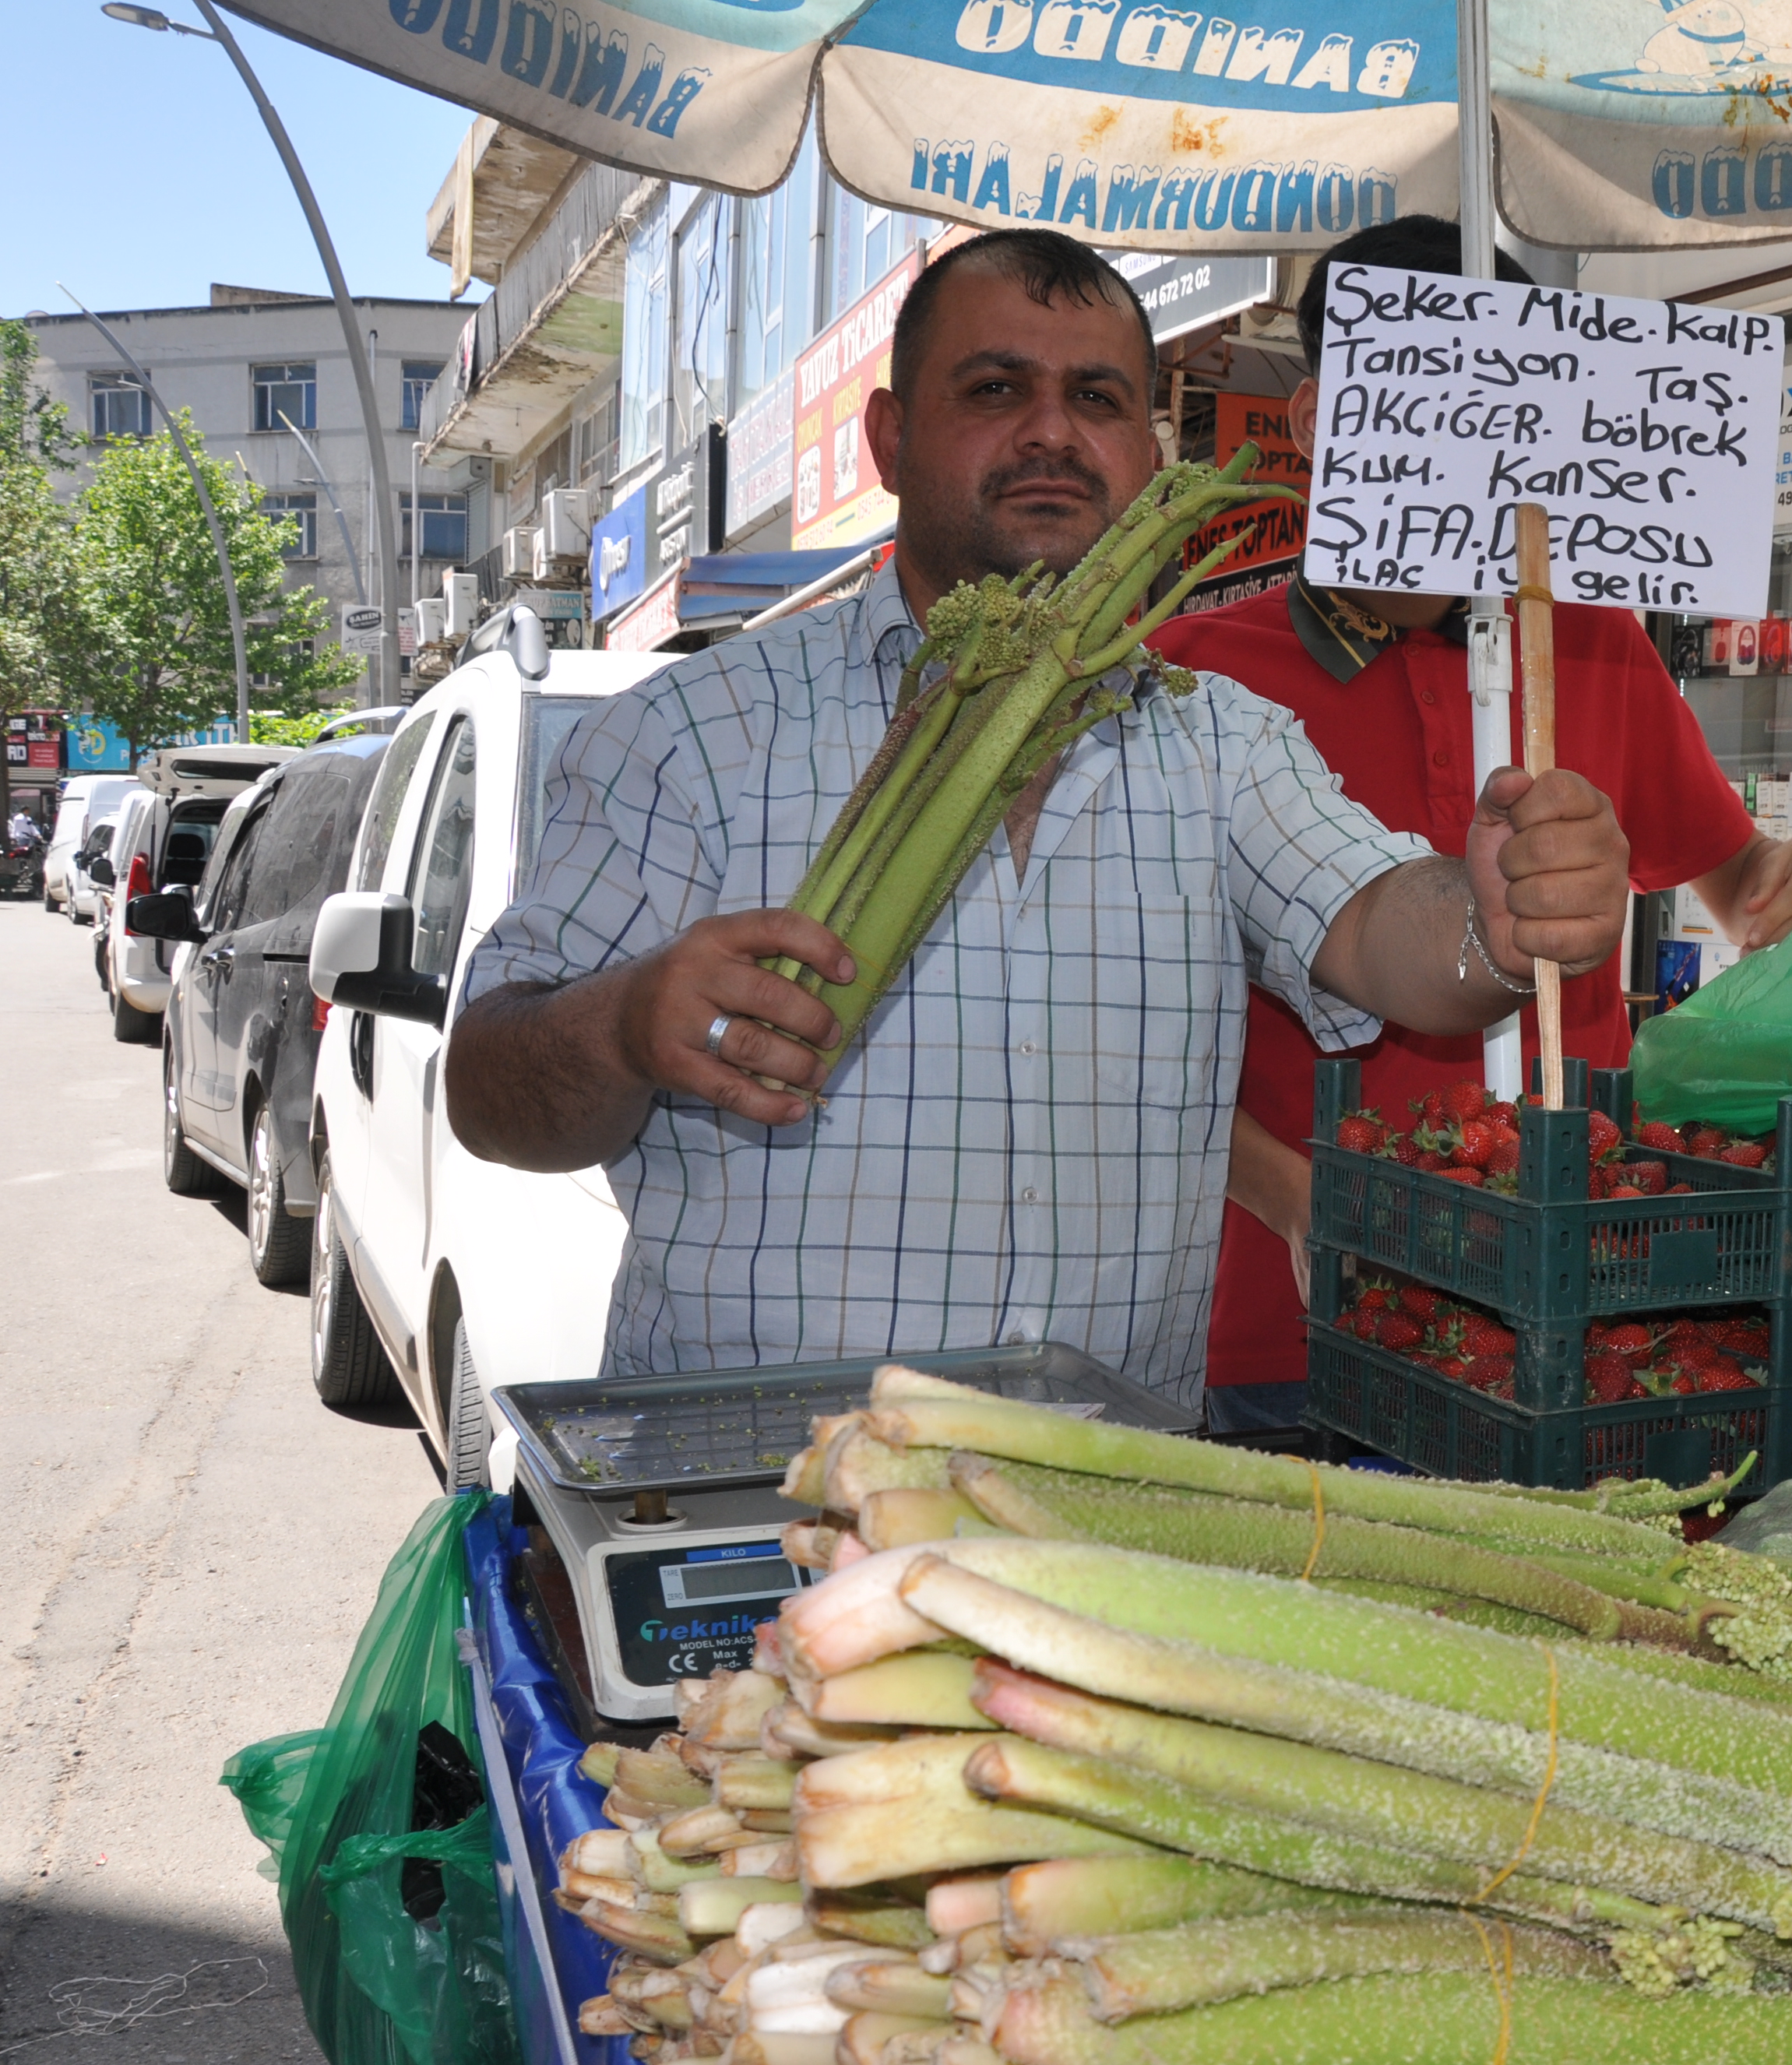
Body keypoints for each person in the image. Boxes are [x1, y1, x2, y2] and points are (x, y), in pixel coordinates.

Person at [439, 228, 1632, 1412]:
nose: (1053, 431)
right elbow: (491, 1092)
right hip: (756, 1499)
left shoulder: (1218, 739)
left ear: (1149, 454)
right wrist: (629, 1024)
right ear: (891, 437)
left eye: (1099, 397)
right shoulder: (692, 734)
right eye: (996, 388)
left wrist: (1493, 919)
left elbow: (1379, 926)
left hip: (1104, 1512)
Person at [1153, 215, 1792, 1435]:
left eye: (1508, 409)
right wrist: (1298, 1200)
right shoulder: (1189, 674)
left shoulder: (1595, 638)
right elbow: (1132, 1054)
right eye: (1429, 398)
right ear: (1320, 421)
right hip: (1282, 1323)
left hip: (1571, 1293)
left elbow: (1738, 884)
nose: (1468, 445)